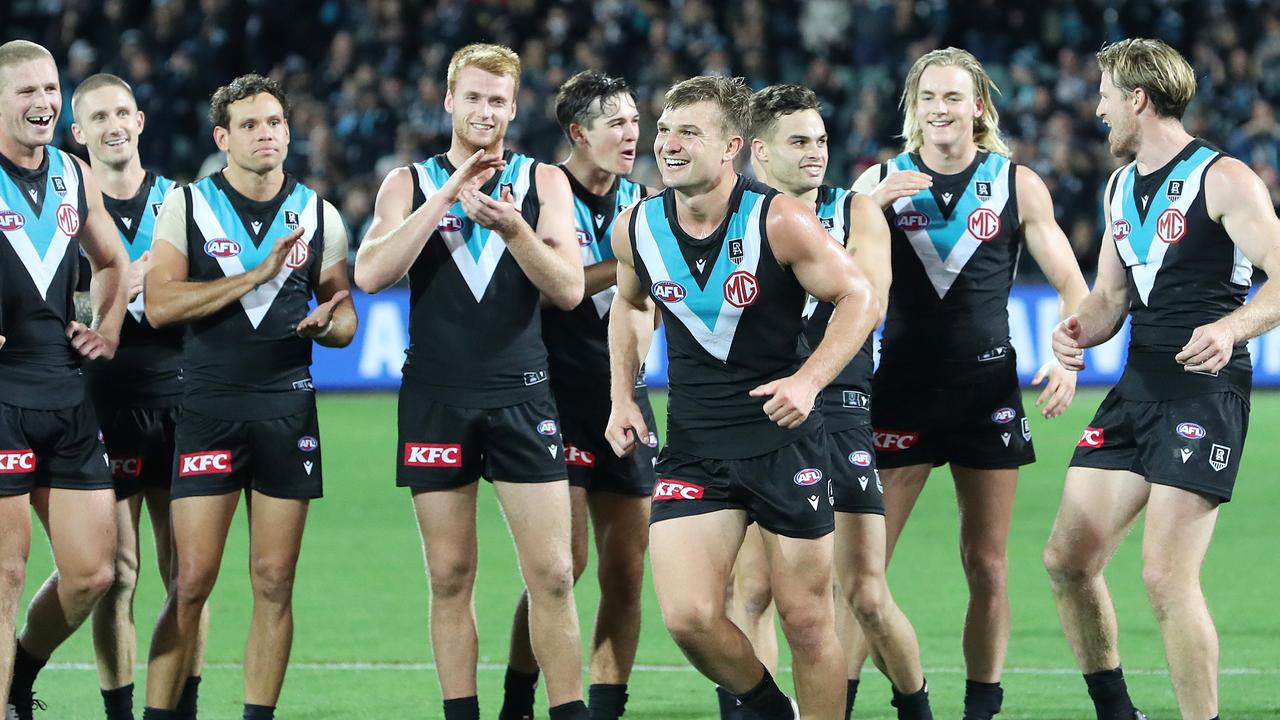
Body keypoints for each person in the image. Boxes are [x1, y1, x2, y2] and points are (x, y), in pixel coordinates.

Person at [606, 74, 878, 720]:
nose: (668, 144)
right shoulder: (636, 228)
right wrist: (622, 392)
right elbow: (629, 303)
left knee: (808, 622)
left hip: (784, 444)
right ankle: (767, 708)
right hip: (695, 448)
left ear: (731, 148)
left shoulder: (779, 219)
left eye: (688, 133)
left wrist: (809, 380)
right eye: (664, 130)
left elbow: (859, 298)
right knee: (690, 616)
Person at [1044, 38, 1280, 720]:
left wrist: (1232, 327)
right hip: (1135, 390)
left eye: (1106, 96)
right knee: (1067, 560)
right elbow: (1110, 298)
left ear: (1137, 100)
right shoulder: (1119, 187)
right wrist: (1074, 330)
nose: (1098, 109)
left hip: (1204, 394)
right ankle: (1119, 712)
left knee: (1164, 578)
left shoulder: (1224, 178)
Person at [850, 47, 1088, 720]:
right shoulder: (878, 183)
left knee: (987, 567)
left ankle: (981, 708)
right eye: (929, 97)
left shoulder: (1016, 183)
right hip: (896, 391)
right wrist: (862, 207)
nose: (940, 109)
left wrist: (1066, 356)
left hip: (986, 394)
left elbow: (1073, 285)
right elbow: (826, 275)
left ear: (978, 107)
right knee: (864, 576)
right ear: (913, 107)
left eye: (954, 97)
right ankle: (843, 702)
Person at [354, 43, 588, 720]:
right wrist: (449, 196)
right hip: (436, 400)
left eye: (498, 100)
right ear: (449, 100)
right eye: (474, 97)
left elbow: (570, 289)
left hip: (522, 393)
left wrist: (515, 229)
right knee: (451, 577)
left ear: (513, 109)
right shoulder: (408, 181)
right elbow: (371, 274)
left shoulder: (544, 183)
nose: (485, 111)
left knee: (552, 574)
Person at [140, 73, 357, 720]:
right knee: (190, 584)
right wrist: (256, 275)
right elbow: (159, 305)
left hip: (288, 411)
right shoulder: (188, 205)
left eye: (274, 123)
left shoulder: (320, 213)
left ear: (288, 131)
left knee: (273, 582)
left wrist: (332, 323)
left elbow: (344, 314)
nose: (266, 134)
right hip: (209, 409)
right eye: (251, 125)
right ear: (223, 137)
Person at [742, 83, 932, 720]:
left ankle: (916, 707)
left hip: (840, 407)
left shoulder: (859, 211)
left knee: (866, 595)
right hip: (757, 407)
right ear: (759, 153)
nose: (816, 152)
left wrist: (815, 244)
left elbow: (867, 300)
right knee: (752, 593)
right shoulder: (734, 215)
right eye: (799, 142)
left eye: (821, 140)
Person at [499, 70, 656, 720]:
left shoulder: (644, 199)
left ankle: (606, 705)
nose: (630, 132)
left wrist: (633, 374)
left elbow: (648, 301)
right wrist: (625, 266)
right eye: (614, 121)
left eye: (633, 119)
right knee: (562, 568)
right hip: (551, 400)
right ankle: (518, 698)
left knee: (627, 568)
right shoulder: (541, 190)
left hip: (624, 397)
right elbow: (542, 287)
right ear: (577, 132)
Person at [68, 72, 208, 720]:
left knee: (187, 579)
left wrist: (159, 292)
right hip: (104, 406)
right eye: (98, 117)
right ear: (79, 133)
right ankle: (120, 714)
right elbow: (64, 308)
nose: (114, 125)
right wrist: (129, 286)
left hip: (184, 401)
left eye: (123, 111)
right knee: (117, 576)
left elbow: (207, 300)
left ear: (142, 120)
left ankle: (183, 709)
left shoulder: (184, 202)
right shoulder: (65, 210)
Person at [0, 40, 129, 720]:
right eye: (25, 91)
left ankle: (19, 676)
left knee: (91, 575)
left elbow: (112, 261)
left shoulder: (74, 175)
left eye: (49, 89)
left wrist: (105, 325)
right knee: (7, 576)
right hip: (1, 396)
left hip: (65, 390)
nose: (43, 102)